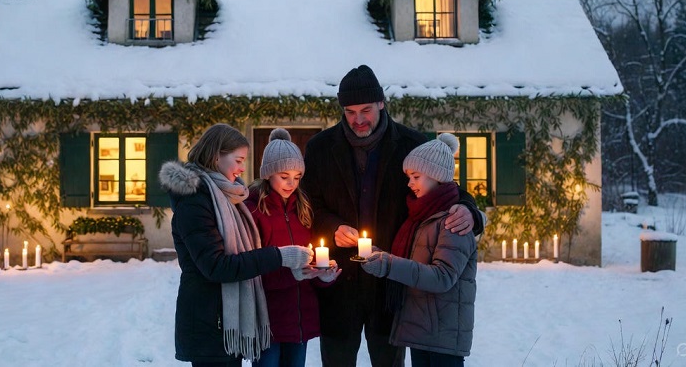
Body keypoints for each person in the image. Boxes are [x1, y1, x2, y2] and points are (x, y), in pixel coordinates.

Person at [300, 64, 484, 367]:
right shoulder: (320, 148)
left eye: (366, 110)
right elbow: (310, 205)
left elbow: (447, 189)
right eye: (350, 112)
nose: (359, 119)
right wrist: (333, 227)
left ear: (381, 103)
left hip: (391, 287)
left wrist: (471, 212)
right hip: (339, 285)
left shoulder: (412, 144)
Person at [159, 123, 314, 367]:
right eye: (239, 160)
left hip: (227, 321)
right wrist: (279, 256)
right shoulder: (195, 201)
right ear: (216, 155)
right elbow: (217, 266)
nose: (243, 168)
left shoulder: (226, 196)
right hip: (208, 324)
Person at [361, 134, 477, 367]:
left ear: (437, 176)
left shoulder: (454, 221)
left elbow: (442, 277)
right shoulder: (420, 218)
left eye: (416, 176)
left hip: (442, 335)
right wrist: (378, 254)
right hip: (422, 330)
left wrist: (389, 264)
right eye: (408, 177)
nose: (409, 183)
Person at [244, 128, 341, 367]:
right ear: (268, 174)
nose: (291, 183)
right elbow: (249, 267)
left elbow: (308, 260)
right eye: (284, 175)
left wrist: (321, 274)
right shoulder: (253, 209)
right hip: (267, 320)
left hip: (299, 320)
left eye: (297, 177)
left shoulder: (303, 208)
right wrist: (292, 273)